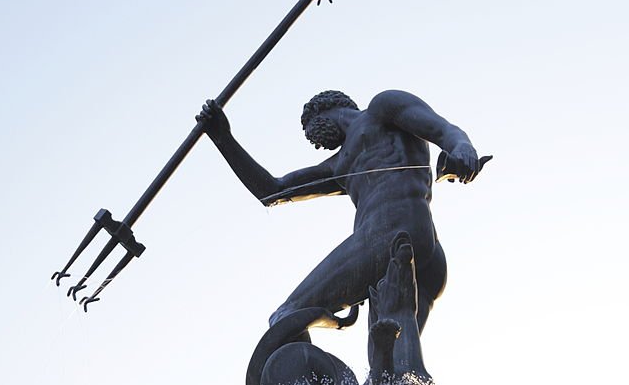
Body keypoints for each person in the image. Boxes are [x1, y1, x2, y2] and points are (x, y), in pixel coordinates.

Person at [197, 89, 488, 331]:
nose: (311, 139)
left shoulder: (382, 107)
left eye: (308, 128)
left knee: (285, 317)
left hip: (389, 235)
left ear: (324, 110)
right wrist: (224, 139)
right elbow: (273, 191)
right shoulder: (338, 166)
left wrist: (462, 148)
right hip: (421, 250)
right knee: (388, 376)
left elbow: (443, 129)